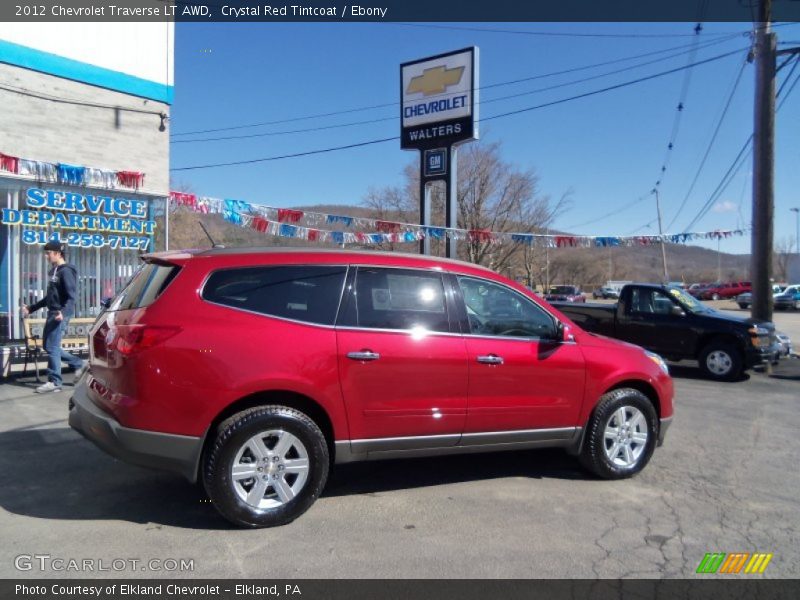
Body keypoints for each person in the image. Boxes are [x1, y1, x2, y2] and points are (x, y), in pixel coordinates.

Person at [22, 241, 87, 392]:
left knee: (51, 347)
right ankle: (79, 364)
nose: (46, 256)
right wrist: (32, 308)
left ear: (58, 253)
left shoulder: (66, 271)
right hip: (53, 313)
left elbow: (72, 297)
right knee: (49, 346)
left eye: (48, 253)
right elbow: (49, 298)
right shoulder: (56, 271)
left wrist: (63, 313)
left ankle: (54, 382)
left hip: (59, 314)